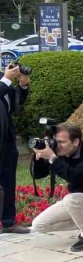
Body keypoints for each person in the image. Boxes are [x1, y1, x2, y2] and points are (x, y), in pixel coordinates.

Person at [31, 123, 83, 251]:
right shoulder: (61, 154)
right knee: (39, 225)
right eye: (55, 141)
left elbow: (77, 178)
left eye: (61, 142)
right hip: (78, 201)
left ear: (76, 141)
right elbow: (38, 175)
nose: (57, 145)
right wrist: (38, 158)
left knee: (71, 199)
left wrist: (52, 158)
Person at [0, 62, 30, 234]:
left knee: (8, 179)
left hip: (6, 135)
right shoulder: (4, 78)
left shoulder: (3, 76)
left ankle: (8, 222)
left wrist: (23, 85)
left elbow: (14, 103)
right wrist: (6, 80)